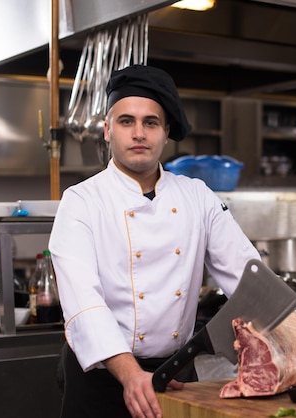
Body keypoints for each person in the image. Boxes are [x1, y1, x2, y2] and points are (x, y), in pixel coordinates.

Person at [48, 64, 261, 418]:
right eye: (126, 121)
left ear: (165, 134)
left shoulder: (198, 196)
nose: (138, 133)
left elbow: (248, 277)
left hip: (173, 375)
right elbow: (83, 304)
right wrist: (131, 376)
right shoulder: (81, 201)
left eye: (150, 122)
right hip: (101, 379)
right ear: (107, 131)